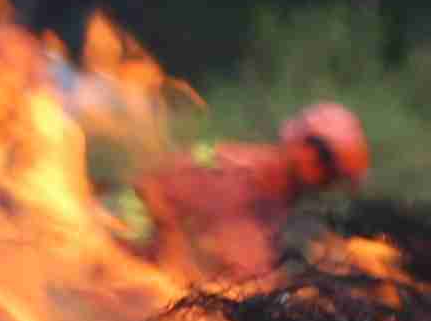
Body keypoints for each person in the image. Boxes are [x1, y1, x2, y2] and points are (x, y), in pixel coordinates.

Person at [134, 103, 370, 282]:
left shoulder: (285, 210)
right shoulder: (232, 168)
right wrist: (170, 244)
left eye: (335, 174)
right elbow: (147, 184)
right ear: (299, 141)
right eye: (324, 156)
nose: (323, 172)